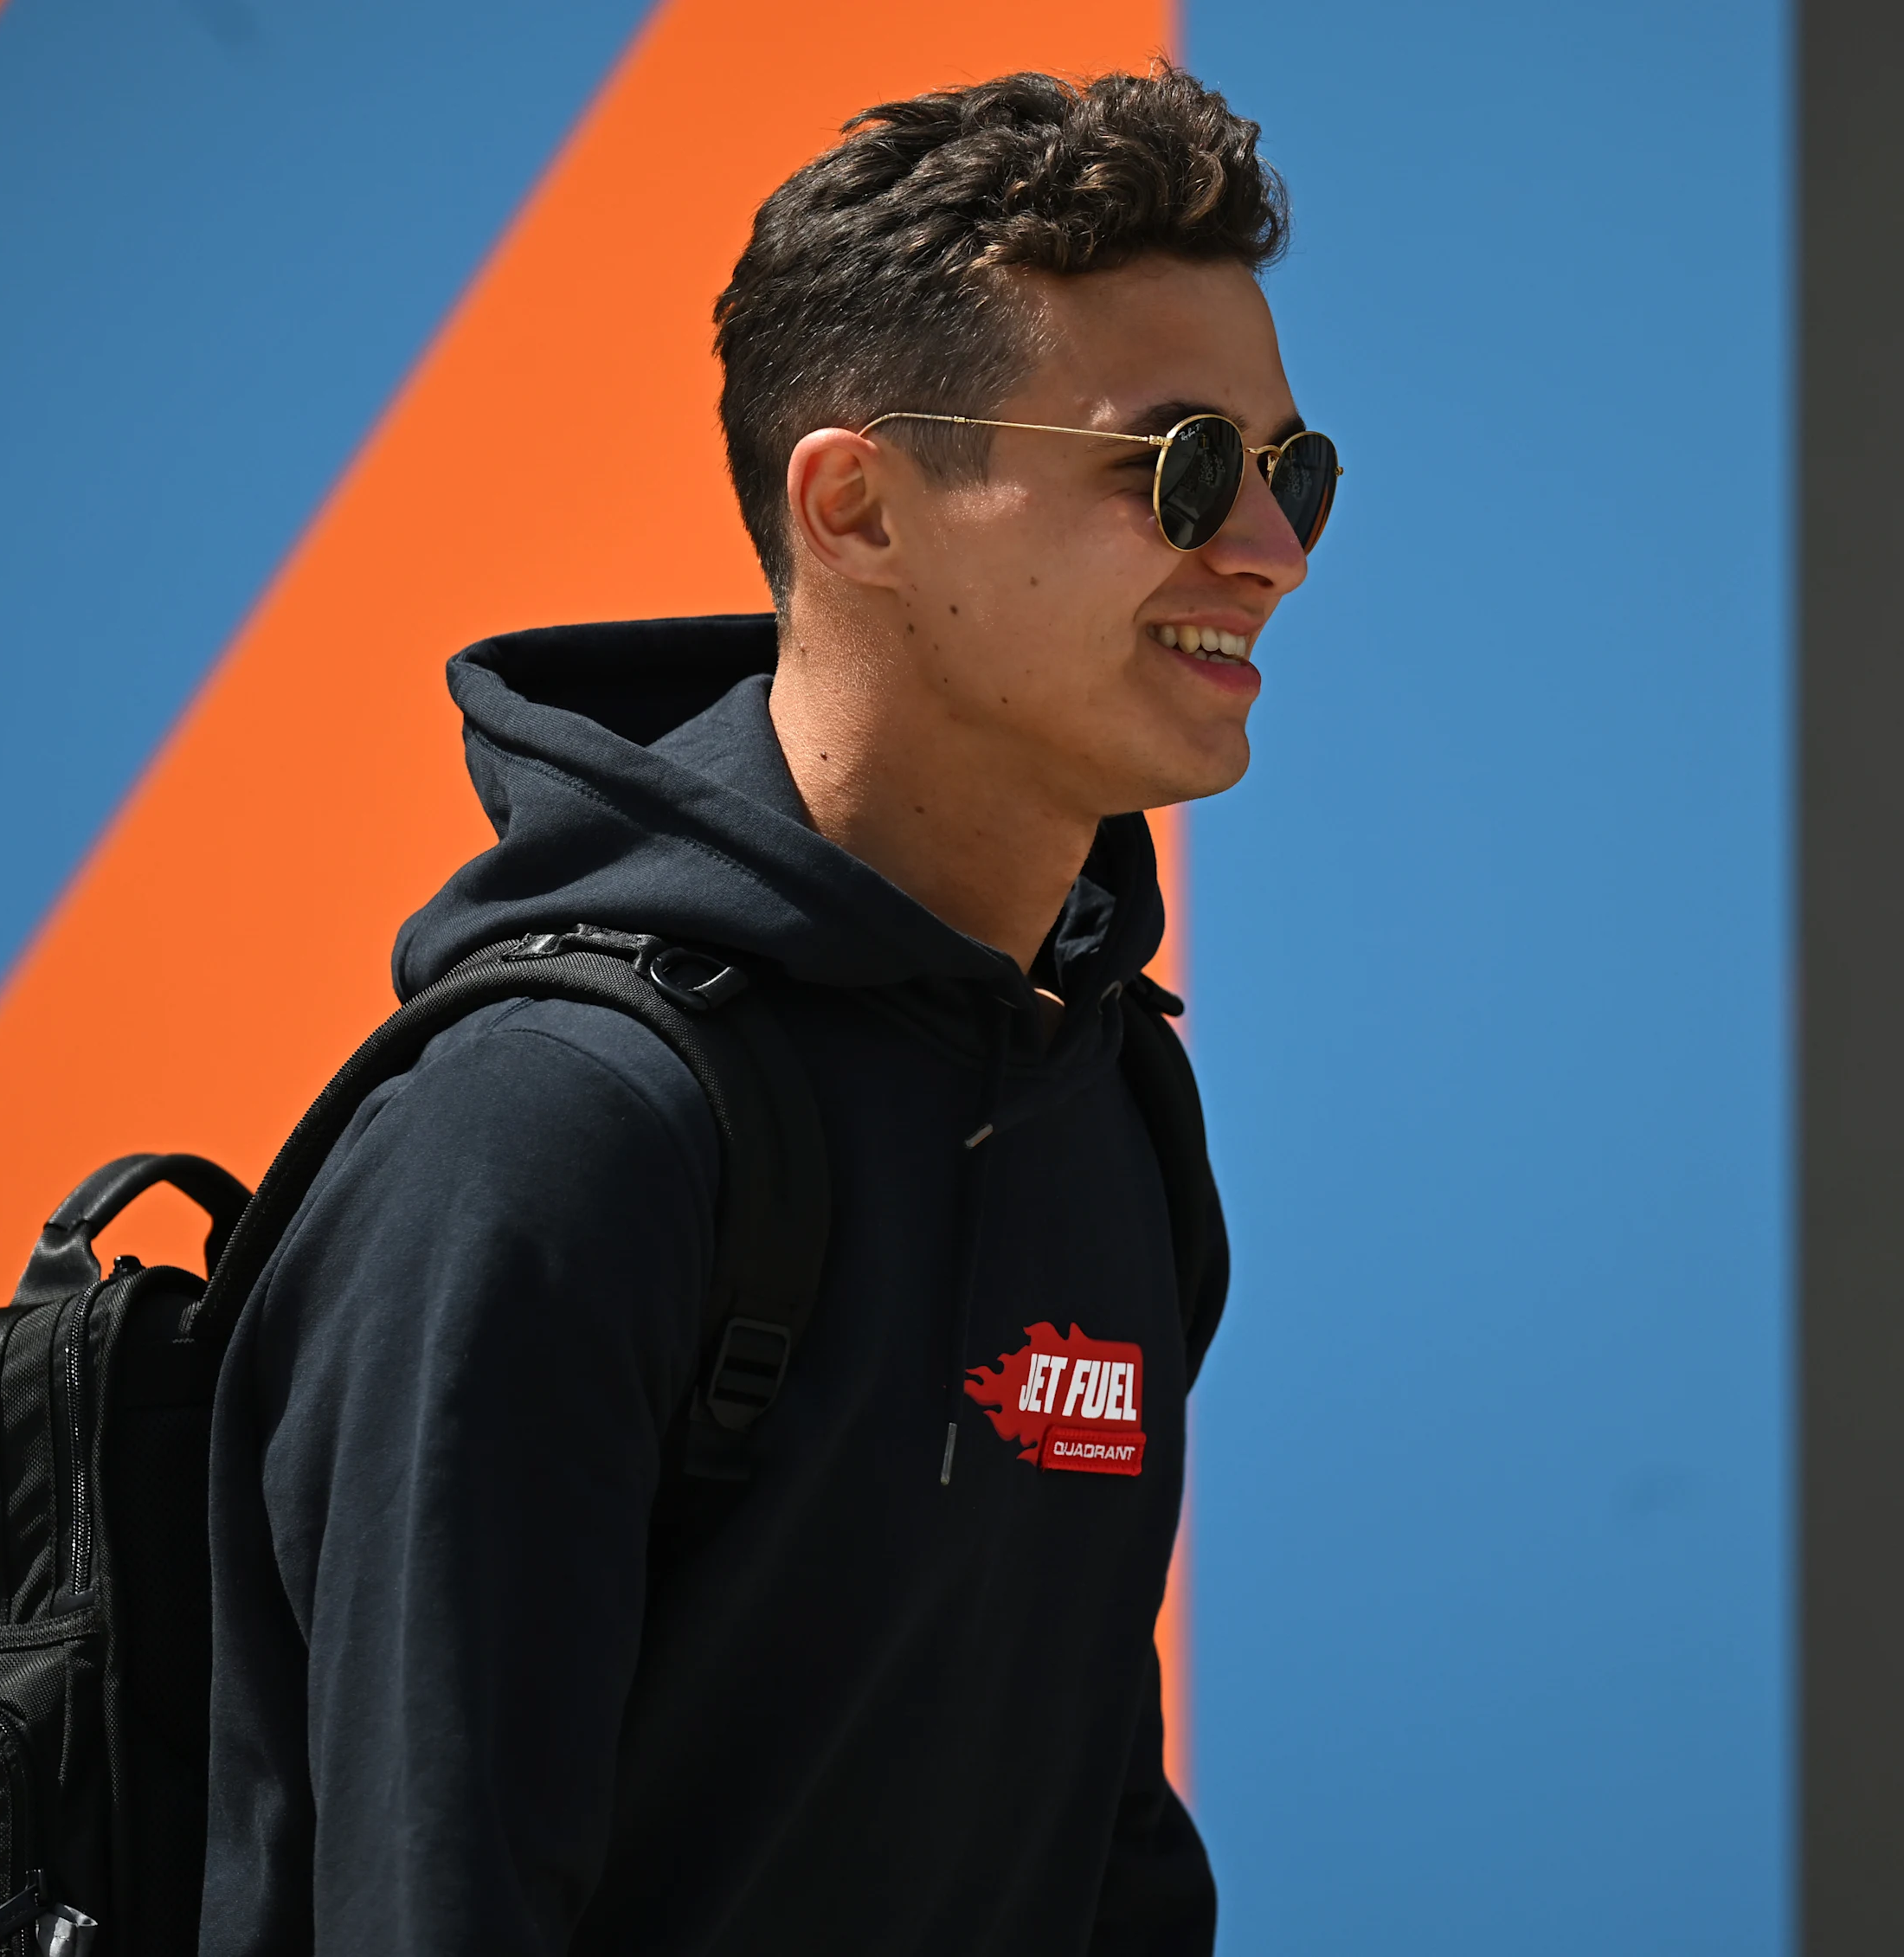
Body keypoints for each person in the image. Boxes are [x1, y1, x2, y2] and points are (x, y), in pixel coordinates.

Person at [201, 62, 1334, 1957]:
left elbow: (1084, 1841)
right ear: (861, 508)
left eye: (1291, 470)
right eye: (1180, 468)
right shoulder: (550, 1130)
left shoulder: (1106, 1094)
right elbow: (427, 1897)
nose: (1270, 554)